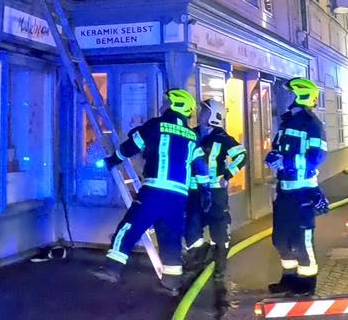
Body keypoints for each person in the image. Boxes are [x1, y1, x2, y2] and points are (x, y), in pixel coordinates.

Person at [92, 88, 209, 294]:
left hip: (155, 190)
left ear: (175, 105)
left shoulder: (155, 125)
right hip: (178, 197)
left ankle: (112, 269)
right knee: (171, 237)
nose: (163, 105)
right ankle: (171, 282)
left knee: (129, 227)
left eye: (166, 102)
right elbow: (201, 168)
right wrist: (206, 192)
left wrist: (112, 161)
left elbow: (129, 147)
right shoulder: (193, 136)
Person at [265, 77, 329, 297]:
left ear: (299, 96)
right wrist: (273, 156)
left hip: (303, 191)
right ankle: (289, 279)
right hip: (284, 191)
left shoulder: (312, 124)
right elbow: (278, 148)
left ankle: (307, 282)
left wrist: (287, 162)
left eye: (287, 93)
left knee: (302, 240)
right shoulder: (286, 122)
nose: (281, 96)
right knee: (281, 239)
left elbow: (317, 156)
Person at [184, 99, 246, 288]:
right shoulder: (192, 134)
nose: (200, 113)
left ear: (213, 117)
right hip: (194, 190)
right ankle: (196, 261)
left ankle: (220, 267)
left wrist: (226, 175)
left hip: (215, 191)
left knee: (219, 227)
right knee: (192, 226)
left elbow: (241, 155)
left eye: (205, 111)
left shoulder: (222, 137)